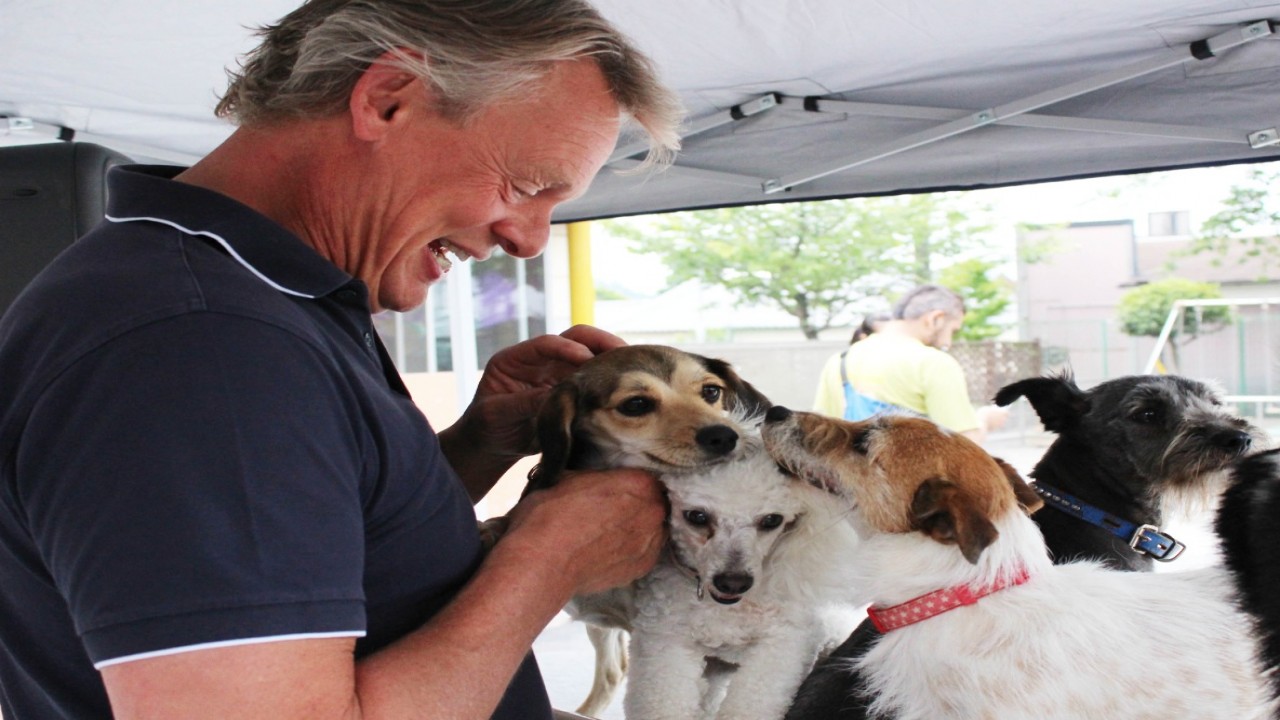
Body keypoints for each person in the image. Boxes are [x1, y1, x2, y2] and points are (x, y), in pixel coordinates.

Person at [0, 2, 685, 719]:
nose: (529, 241)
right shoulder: (203, 344)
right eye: (525, 185)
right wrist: (551, 559)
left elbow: (314, 560)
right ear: (388, 99)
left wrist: (477, 447)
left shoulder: (250, 300)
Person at [813, 285, 1004, 442]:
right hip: (910, 486)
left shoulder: (839, 360)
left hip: (854, 485)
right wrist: (985, 421)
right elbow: (965, 445)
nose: (948, 342)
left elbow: (820, 434)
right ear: (935, 319)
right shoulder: (933, 363)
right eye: (952, 330)